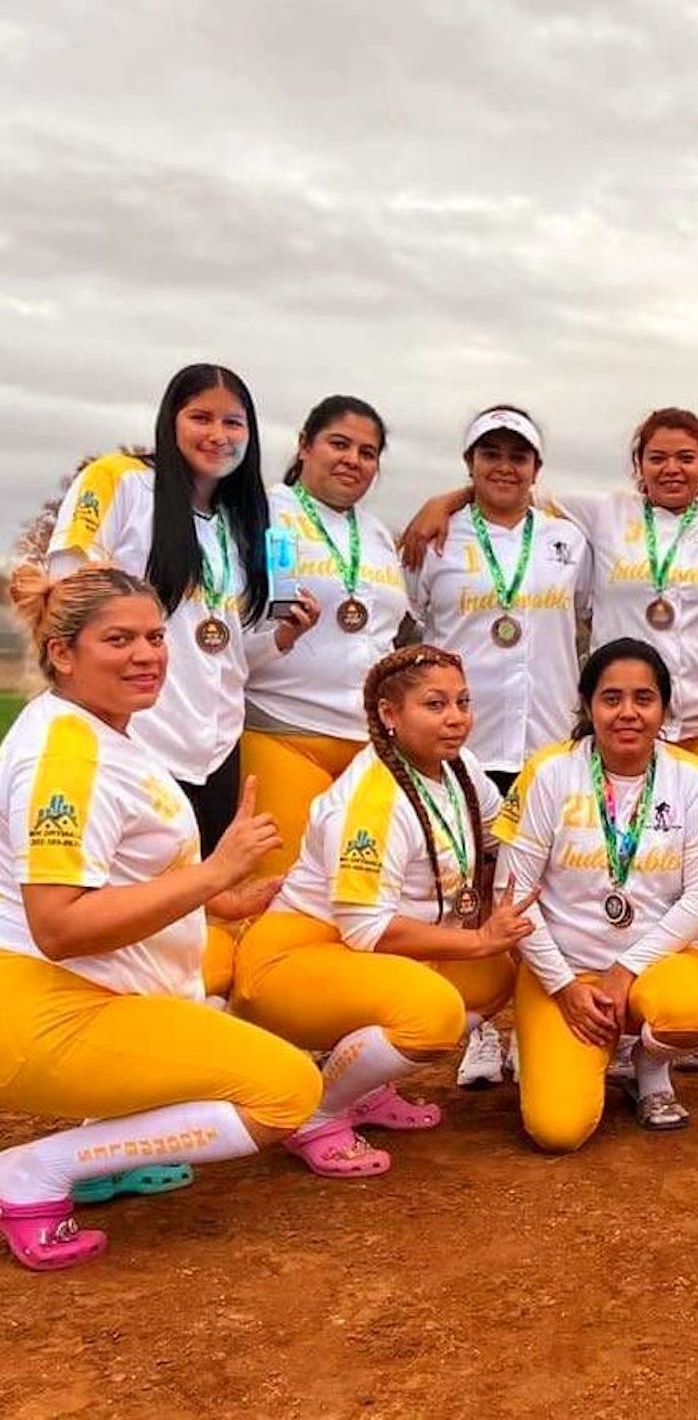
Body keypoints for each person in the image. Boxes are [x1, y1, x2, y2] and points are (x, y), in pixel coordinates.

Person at [0, 565, 321, 1272]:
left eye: (153, 635)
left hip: (79, 996)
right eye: (118, 639)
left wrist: (220, 899)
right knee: (286, 1091)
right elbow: (58, 924)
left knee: (209, 1008)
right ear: (63, 652)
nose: (146, 654)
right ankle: (31, 1171)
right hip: (42, 1012)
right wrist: (215, 871)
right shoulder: (67, 757)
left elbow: (124, 875)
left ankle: (105, 1142)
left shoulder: (97, 730)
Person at [229, 646, 533, 1176]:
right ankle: (316, 1113)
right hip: (291, 961)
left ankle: (363, 1090)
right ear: (390, 715)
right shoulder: (371, 802)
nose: (456, 717)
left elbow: (499, 830)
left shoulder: (458, 767)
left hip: (346, 952)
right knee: (433, 1011)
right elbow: (368, 930)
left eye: (463, 701)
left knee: (490, 977)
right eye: (435, 704)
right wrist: (478, 938)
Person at [47, 363, 318, 851]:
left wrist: (282, 636)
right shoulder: (119, 482)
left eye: (233, 423)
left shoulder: (244, 521)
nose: (218, 435)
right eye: (201, 418)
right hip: (133, 739)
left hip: (215, 750)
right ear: (171, 420)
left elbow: (225, 651)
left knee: (198, 912)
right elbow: (66, 592)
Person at [406, 406, 590, 1088]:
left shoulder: (569, 540)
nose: (504, 465)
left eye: (519, 454)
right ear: (470, 465)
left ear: (537, 468)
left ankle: (547, 1014)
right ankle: (480, 1031)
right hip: (465, 744)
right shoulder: (436, 538)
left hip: (546, 739)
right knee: (471, 888)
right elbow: (412, 624)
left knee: (551, 882)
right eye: (490, 454)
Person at [496, 640, 698, 1146]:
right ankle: (563, 1045)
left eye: (644, 699)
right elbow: (512, 897)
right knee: (557, 1130)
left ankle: (649, 1070)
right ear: (587, 704)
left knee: (690, 1013)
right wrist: (564, 986)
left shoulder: (691, 776)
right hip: (563, 969)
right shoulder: (549, 771)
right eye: (612, 698)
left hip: (654, 964)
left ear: (664, 708)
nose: (628, 713)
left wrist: (626, 968)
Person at [243, 395, 408, 877]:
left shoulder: (376, 535)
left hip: (370, 743)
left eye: (367, 452)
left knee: (358, 894)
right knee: (278, 889)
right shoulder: (258, 512)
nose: (352, 460)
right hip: (282, 729)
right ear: (303, 446)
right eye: (339, 444)